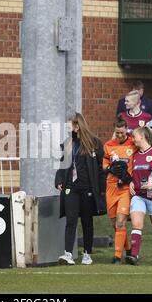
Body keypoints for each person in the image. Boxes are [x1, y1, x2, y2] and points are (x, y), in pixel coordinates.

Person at [55, 112, 106, 265]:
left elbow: (100, 169)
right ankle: (68, 253)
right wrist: (58, 180)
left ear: (77, 126)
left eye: (69, 126)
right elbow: (62, 166)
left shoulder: (95, 143)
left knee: (86, 221)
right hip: (71, 187)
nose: (67, 129)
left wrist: (101, 189)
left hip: (87, 188)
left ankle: (87, 253)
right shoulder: (67, 144)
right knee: (71, 220)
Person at [125, 126, 152, 266]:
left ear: (142, 136)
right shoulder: (135, 155)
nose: (133, 139)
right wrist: (131, 182)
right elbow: (134, 174)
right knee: (137, 224)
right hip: (138, 196)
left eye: (135, 136)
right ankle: (134, 255)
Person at [103, 116, 137, 264]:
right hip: (111, 187)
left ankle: (117, 256)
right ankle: (128, 249)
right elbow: (104, 164)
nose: (120, 135)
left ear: (127, 131)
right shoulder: (108, 145)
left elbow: (147, 145)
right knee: (114, 224)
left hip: (124, 188)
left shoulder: (133, 144)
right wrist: (109, 168)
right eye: (117, 133)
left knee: (121, 222)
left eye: (122, 133)